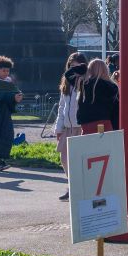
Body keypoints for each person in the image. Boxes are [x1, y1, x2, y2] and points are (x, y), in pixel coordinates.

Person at [52, 53, 89, 198]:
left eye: (76, 66)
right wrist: (58, 128)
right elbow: (62, 107)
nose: (73, 69)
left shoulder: (86, 81)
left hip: (80, 126)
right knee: (64, 158)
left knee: (79, 159)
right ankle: (71, 185)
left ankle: (79, 187)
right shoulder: (66, 83)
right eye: (71, 66)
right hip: (68, 126)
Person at [76, 59, 119, 134]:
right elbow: (116, 111)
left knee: (89, 145)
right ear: (105, 70)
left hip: (86, 124)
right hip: (105, 123)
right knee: (104, 144)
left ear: (89, 70)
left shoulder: (84, 85)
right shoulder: (112, 87)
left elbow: (68, 74)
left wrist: (83, 68)